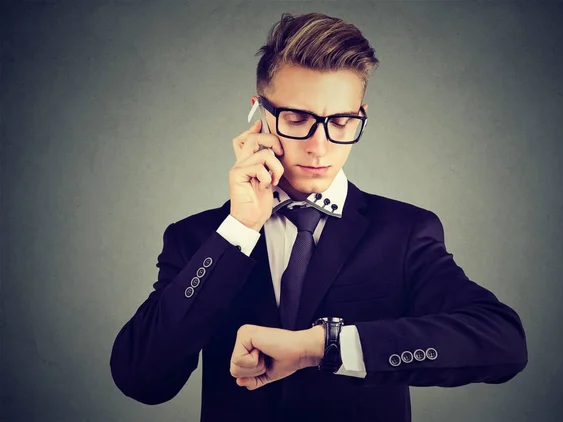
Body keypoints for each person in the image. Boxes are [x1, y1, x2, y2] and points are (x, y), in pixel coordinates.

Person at [110, 12, 528, 422]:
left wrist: (324, 346)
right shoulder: (198, 238)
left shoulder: (404, 232)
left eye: (342, 122)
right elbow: (141, 378)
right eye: (297, 118)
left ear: (360, 116)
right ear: (258, 113)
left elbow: (502, 342)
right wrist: (238, 230)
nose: (319, 147)